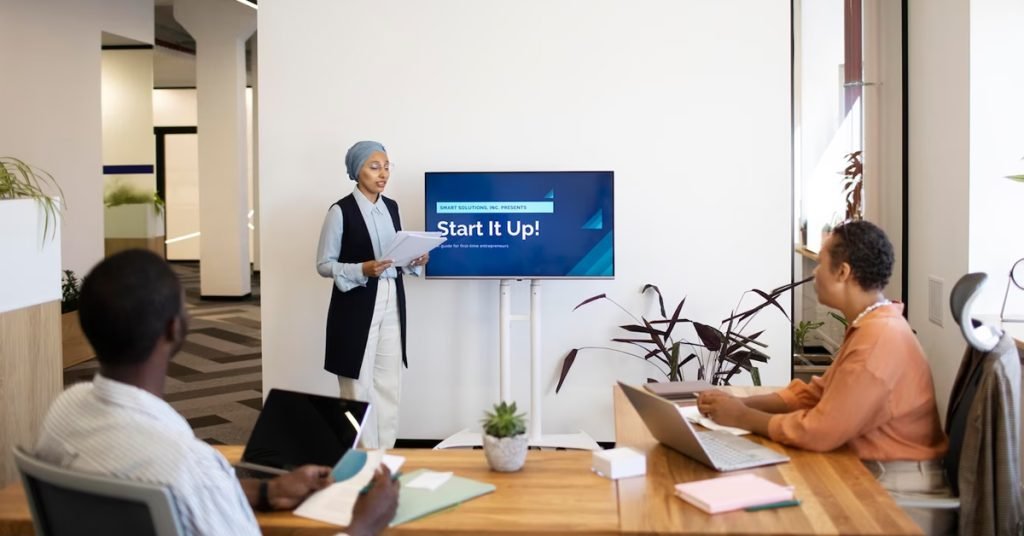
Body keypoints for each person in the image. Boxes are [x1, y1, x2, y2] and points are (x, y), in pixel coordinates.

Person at [35, 250, 398, 536]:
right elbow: (193, 486)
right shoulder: (186, 465)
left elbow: (187, 497)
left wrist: (269, 493)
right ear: (174, 329)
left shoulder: (64, 411)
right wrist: (362, 527)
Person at [697, 220, 953, 535]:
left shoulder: (877, 340)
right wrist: (740, 403)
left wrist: (742, 417)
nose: (814, 273)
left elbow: (819, 431)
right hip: (869, 473)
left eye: (820, 263)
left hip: (895, 494)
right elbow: (816, 394)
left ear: (843, 272)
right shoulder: (872, 324)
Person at [316, 140, 428, 449]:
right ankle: (360, 456)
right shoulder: (340, 211)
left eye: (387, 166)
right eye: (374, 167)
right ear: (356, 171)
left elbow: (393, 257)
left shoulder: (391, 207)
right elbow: (324, 265)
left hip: (392, 298)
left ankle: (385, 454)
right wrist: (361, 270)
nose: (383, 174)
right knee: (357, 384)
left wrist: (413, 260)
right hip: (356, 304)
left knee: (389, 383)